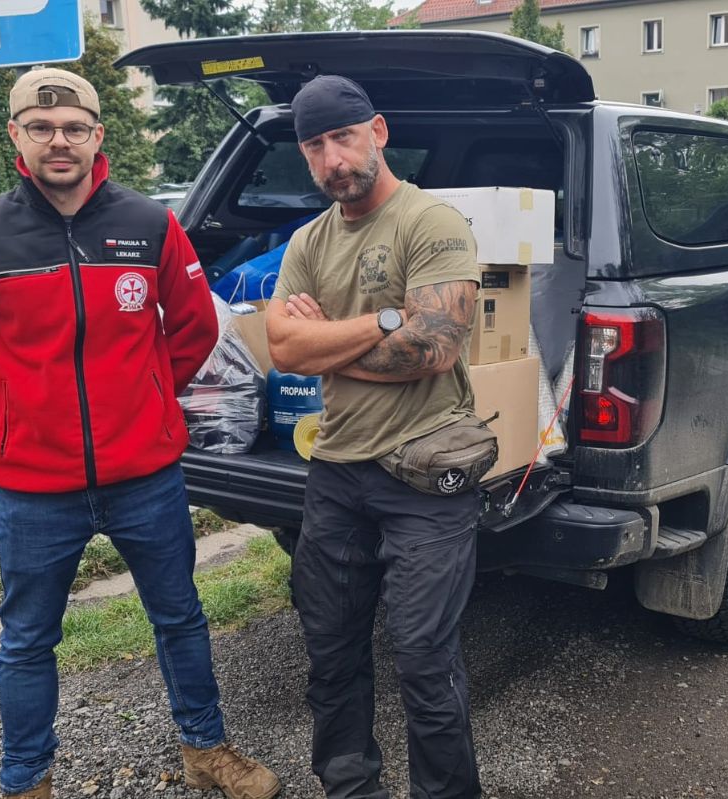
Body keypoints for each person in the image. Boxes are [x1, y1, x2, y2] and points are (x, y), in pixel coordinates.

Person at [0, 68, 281, 799]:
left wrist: (145, 398)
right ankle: (27, 780)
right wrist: (19, 412)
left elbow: (191, 328)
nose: (59, 140)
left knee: (180, 616)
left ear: (97, 134)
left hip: (144, 478)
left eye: (74, 127)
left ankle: (205, 749)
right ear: (16, 135)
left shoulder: (150, 223)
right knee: (27, 642)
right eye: (40, 126)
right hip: (33, 489)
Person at [267, 75, 483, 799]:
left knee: (423, 655)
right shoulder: (306, 241)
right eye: (315, 146)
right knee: (330, 650)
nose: (333, 159)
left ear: (378, 132)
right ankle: (349, 786)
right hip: (335, 472)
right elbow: (282, 351)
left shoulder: (432, 222)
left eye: (344, 138)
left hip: (425, 471)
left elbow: (435, 348)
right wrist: (387, 318)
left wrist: (322, 336)